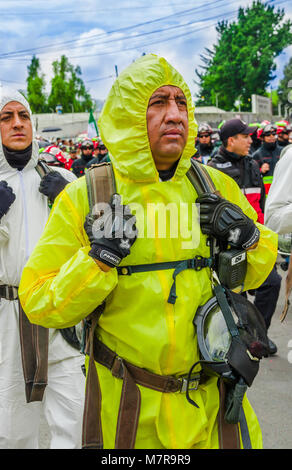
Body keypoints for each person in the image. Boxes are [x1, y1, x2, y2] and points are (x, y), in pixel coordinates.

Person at [19, 54, 277, 449]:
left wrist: (246, 238)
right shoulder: (88, 196)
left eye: (181, 102)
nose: (175, 115)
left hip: (213, 404)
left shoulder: (216, 187)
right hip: (126, 410)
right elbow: (39, 300)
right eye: (158, 103)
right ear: (128, 115)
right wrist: (98, 260)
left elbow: (257, 274)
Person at [0, 88, 85, 449]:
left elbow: (97, 243)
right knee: (13, 430)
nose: (18, 123)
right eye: (6, 117)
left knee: (77, 418)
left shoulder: (62, 179)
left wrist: (70, 198)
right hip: (8, 317)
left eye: (24, 115)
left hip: (59, 312)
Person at [208, 119, 281, 354]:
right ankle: (240, 338)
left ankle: (259, 334)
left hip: (254, 242)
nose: (251, 140)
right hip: (227, 249)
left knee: (272, 283)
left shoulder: (251, 164)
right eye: (245, 136)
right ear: (231, 140)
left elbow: (260, 204)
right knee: (234, 294)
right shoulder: (212, 170)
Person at [252, 123, 282, 195]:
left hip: (281, 190)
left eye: (274, 134)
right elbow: (251, 177)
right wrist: (260, 171)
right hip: (266, 194)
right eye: (268, 135)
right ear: (262, 137)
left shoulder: (282, 151)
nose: (271, 136)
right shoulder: (257, 155)